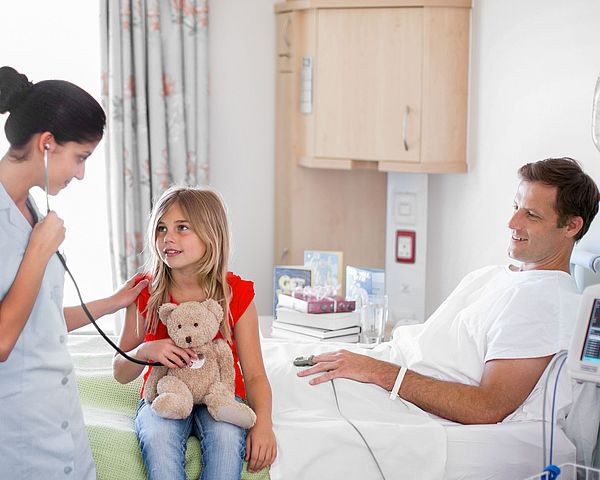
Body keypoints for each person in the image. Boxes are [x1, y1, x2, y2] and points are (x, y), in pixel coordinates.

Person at [298, 157, 600, 425]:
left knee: (279, 404)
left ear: (571, 226)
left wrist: (378, 371)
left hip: (402, 402)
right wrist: (371, 362)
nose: (512, 222)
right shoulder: (496, 276)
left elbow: (487, 407)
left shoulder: (545, 300)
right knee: (265, 376)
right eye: (515, 207)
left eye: (531, 215)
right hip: (390, 373)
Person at [0, 66, 149, 479]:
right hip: (17, 438)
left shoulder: (30, 210)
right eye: (80, 157)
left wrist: (113, 302)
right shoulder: (28, 229)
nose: (81, 173)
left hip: (61, 427)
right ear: (47, 144)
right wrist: (38, 252)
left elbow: (37, 321)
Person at [113, 186, 277, 479]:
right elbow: (121, 372)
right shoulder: (145, 292)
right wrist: (144, 352)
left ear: (210, 235)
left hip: (221, 394)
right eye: (161, 228)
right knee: (158, 438)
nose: (168, 238)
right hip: (166, 394)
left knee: (227, 441)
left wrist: (263, 423)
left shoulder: (236, 295)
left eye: (182, 227)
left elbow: (255, 376)